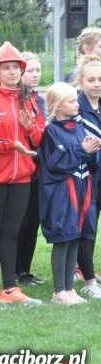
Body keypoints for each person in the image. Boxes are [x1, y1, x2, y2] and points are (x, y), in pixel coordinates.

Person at [0, 43, 43, 306]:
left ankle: (10, 288)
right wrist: (8, 146)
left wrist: (30, 128)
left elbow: (39, 139)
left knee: (12, 232)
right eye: (6, 68)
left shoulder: (31, 101)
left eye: (16, 67)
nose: (12, 72)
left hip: (22, 177)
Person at [40, 82, 100, 305]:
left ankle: (69, 288)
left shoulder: (79, 128)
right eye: (71, 101)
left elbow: (89, 160)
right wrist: (82, 151)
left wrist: (93, 151)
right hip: (62, 195)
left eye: (76, 100)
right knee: (63, 238)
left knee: (75, 236)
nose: (77, 104)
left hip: (83, 191)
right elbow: (56, 163)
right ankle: (59, 291)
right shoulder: (52, 131)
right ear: (57, 105)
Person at [16, 52, 47, 286]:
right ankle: (15, 270)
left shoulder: (40, 100)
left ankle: (25, 270)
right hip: (19, 167)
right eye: (30, 71)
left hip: (38, 168)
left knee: (33, 221)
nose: (35, 75)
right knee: (20, 221)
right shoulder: (16, 99)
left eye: (38, 70)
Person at [72, 54, 101, 299]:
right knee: (86, 225)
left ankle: (87, 268)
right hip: (85, 175)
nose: (97, 84)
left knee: (93, 224)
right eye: (91, 80)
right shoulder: (75, 107)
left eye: (100, 79)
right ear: (80, 82)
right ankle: (85, 275)